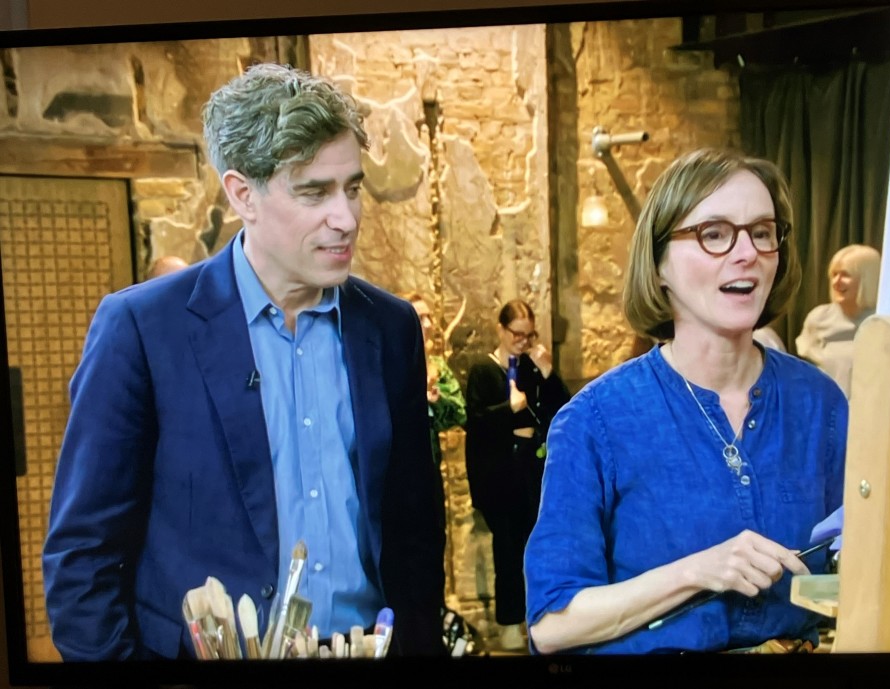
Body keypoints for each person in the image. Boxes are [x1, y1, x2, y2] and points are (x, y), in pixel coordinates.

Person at [42, 63, 446, 661]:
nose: (347, 217)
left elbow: (415, 530)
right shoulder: (143, 330)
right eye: (315, 192)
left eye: (353, 187)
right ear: (241, 194)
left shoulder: (390, 328)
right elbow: (82, 556)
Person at [524, 148, 848, 654]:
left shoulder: (821, 403)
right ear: (658, 267)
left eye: (762, 232)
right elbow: (551, 624)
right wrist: (699, 570)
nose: (747, 253)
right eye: (714, 234)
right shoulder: (595, 421)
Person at [464, 299, 570, 651]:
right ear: (501, 329)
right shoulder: (483, 370)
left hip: (531, 470)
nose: (523, 342)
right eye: (517, 334)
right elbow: (476, 422)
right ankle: (510, 621)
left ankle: (537, 617)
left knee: (535, 548)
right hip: (500, 475)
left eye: (529, 335)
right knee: (507, 550)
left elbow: (562, 410)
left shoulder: (531, 367)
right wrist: (509, 410)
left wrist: (548, 373)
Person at [795, 243, 881, 397]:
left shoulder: (882, 323)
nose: (836, 282)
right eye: (834, 274)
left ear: (868, 279)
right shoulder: (819, 318)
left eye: (845, 275)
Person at [400, 292, 467, 467]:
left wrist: (437, 400)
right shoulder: (384, 364)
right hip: (395, 464)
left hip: (429, 459)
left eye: (429, 317)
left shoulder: (436, 365)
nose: (428, 324)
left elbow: (460, 413)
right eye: (420, 318)